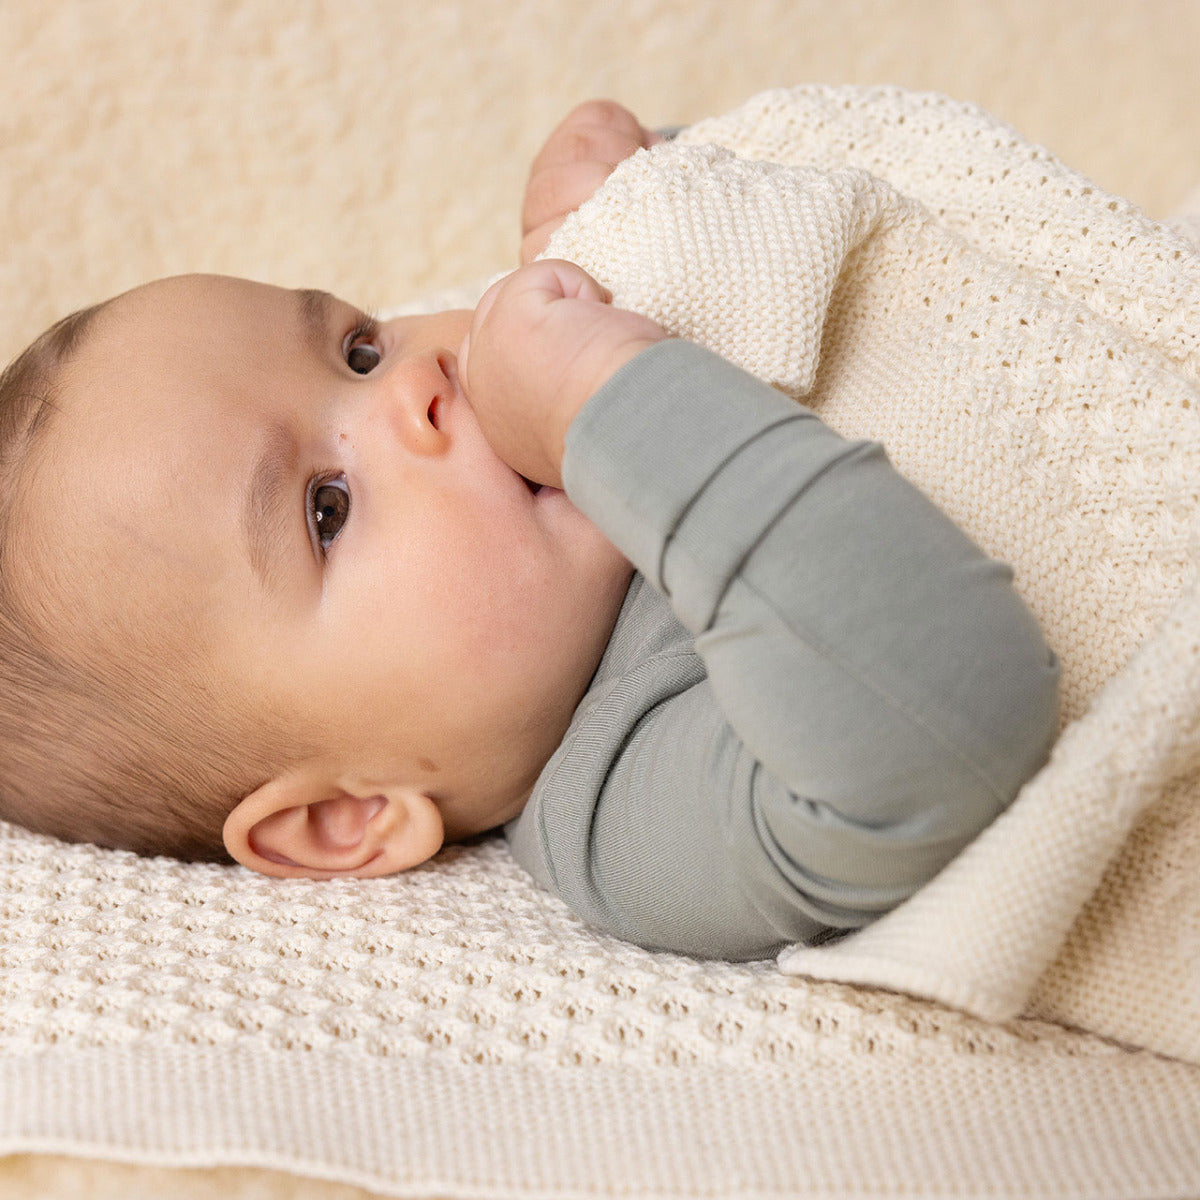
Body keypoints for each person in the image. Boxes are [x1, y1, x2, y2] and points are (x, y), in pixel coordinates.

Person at [0, 100, 1059, 960]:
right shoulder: (625, 808)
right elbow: (942, 727)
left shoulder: (537, 378)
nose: (417, 380)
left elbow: (859, 242)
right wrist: (613, 397)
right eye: (327, 509)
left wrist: (641, 218)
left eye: (359, 348)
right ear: (347, 818)